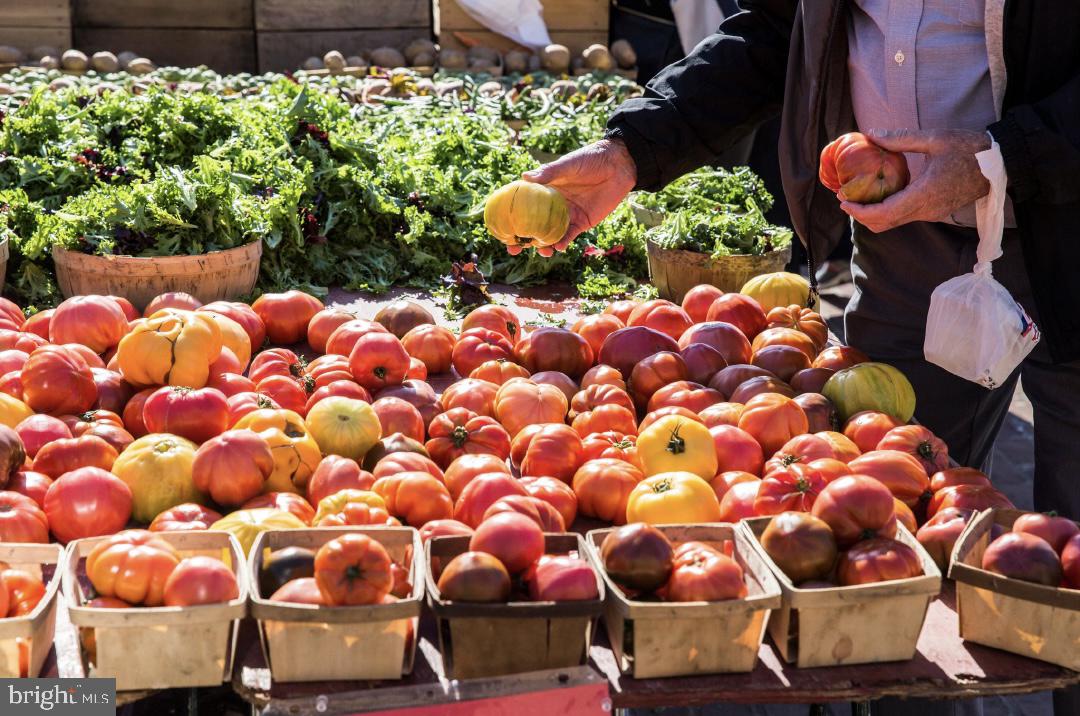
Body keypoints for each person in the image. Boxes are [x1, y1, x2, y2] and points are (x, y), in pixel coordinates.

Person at [517, 3, 1080, 715]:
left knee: (1072, 552)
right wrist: (633, 148)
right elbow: (779, 28)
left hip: (1071, 223)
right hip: (909, 244)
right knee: (898, 543)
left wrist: (1003, 158)